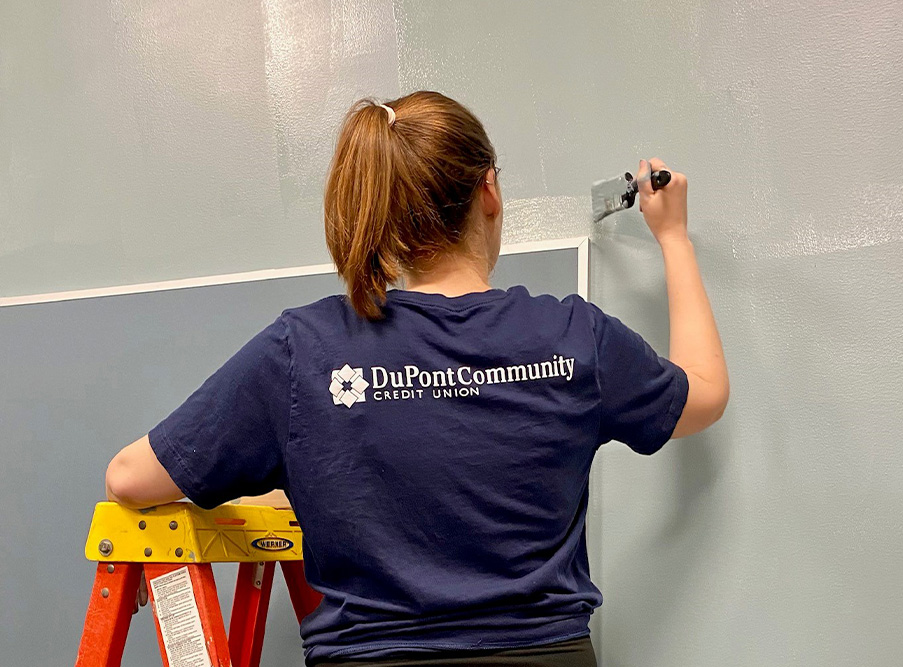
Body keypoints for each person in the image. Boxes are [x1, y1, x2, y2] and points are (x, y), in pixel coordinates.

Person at [104, 90, 729, 666]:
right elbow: (703, 393)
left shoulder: (307, 349)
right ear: (488, 190)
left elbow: (130, 477)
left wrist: (294, 480)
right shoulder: (573, 336)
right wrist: (672, 237)